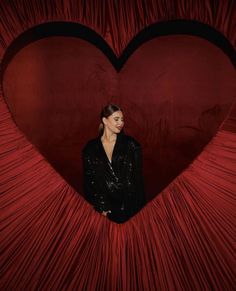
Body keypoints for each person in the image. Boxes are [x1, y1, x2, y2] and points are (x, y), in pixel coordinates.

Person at [82, 104, 146, 223]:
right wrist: (100, 206)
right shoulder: (90, 148)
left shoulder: (131, 145)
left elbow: (138, 179)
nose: (120, 123)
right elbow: (90, 180)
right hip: (105, 210)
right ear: (105, 120)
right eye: (116, 119)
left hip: (130, 208)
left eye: (122, 120)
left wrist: (140, 211)